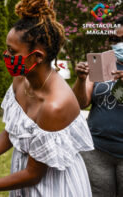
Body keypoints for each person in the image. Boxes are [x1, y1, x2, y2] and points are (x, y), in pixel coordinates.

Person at [0, 0, 94, 196]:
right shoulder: (20, 80)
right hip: (23, 175)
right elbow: (14, 130)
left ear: (38, 57)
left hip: (54, 186)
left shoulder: (55, 105)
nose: (6, 55)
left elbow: (34, 174)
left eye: (12, 51)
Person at [72, 16, 123, 197]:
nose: (118, 44)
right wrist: (81, 79)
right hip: (96, 151)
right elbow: (81, 103)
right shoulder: (102, 63)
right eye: (115, 39)